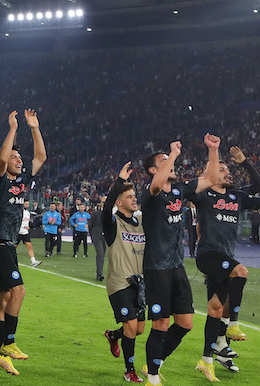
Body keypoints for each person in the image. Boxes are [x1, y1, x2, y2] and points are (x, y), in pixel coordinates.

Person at [139, 135, 220, 386]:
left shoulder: (179, 190)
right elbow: (156, 185)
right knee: (161, 323)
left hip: (176, 266)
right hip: (156, 268)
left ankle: (154, 362)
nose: (171, 164)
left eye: (170, 161)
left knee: (185, 323)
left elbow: (212, 179)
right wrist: (171, 154)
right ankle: (153, 376)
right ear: (154, 170)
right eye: (163, 162)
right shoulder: (149, 194)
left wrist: (213, 150)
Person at [190, 146, 260, 380]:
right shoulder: (203, 196)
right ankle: (232, 325)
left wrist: (245, 162)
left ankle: (208, 358)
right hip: (208, 255)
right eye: (222, 170)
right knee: (241, 271)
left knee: (215, 309)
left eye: (227, 169)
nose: (227, 173)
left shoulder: (237, 197)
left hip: (224, 257)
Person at [0, 109, 46, 376]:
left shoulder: (23, 182)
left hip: (8, 246)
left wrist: (34, 128)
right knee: (19, 291)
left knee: (5, 300)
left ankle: (0, 354)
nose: (19, 160)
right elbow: (1, 158)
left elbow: (41, 157)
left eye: (20, 157)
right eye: (15, 157)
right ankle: (8, 343)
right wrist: (12, 128)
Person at [101, 163, 146, 383]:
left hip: (139, 285)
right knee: (130, 326)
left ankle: (113, 335)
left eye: (134, 196)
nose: (134, 199)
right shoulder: (112, 223)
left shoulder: (140, 223)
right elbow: (106, 207)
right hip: (119, 283)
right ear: (119, 202)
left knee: (139, 329)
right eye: (129, 197)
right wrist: (119, 181)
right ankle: (130, 370)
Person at [15, 200, 42, 267]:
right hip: (18, 232)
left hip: (25, 232)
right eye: (26, 204)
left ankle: (33, 261)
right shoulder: (19, 212)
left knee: (29, 246)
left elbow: (26, 222)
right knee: (14, 247)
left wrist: (28, 226)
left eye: (28, 204)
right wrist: (24, 226)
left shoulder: (27, 213)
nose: (27, 205)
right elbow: (17, 221)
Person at [90, 197, 107, 281]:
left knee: (102, 255)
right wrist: (92, 237)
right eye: (103, 202)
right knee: (100, 254)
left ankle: (100, 273)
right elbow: (90, 225)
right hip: (97, 235)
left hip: (105, 237)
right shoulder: (96, 213)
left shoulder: (110, 214)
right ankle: (99, 274)